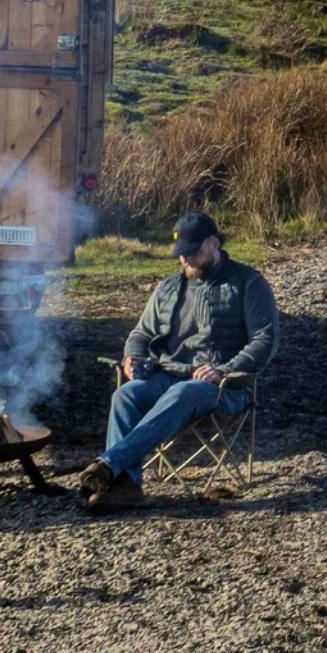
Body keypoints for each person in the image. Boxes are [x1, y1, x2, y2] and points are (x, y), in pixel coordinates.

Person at [76, 211, 279, 513]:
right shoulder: (168, 288)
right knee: (126, 394)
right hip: (168, 376)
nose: (185, 260)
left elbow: (265, 341)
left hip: (223, 386)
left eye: (192, 252)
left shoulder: (249, 284)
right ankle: (126, 486)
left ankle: (109, 464)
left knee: (183, 393)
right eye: (180, 254)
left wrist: (222, 369)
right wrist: (132, 357)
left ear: (213, 243)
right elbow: (141, 333)